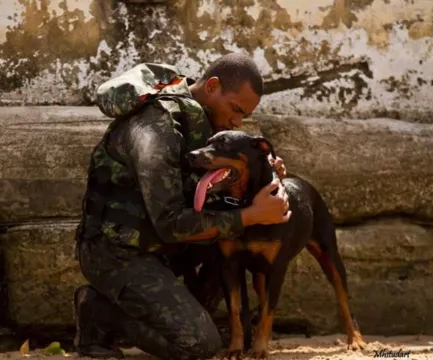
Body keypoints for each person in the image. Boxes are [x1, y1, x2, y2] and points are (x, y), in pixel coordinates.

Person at [73, 53, 290, 360]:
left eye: (243, 116)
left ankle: (188, 316)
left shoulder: (201, 121)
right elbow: (170, 222)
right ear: (212, 87)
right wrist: (251, 214)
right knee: (198, 345)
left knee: (234, 246)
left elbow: (210, 194)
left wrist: (261, 172)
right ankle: (98, 311)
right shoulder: (156, 127)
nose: (237, 121)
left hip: (163, 248)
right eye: (236, 110)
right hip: (117, 253)